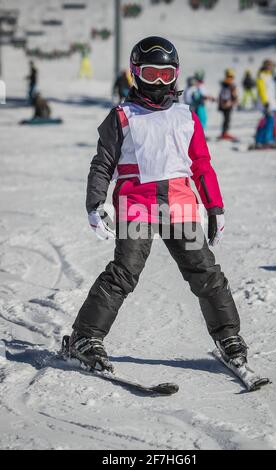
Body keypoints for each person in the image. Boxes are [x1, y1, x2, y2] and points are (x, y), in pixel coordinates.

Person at [68, 36, 248, 373]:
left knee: (205, 271)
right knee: (124, 273)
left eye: (166, 74)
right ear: (136, 74)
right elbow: (102, 164)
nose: (159, 82)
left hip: (181, 207)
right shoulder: (122, 116)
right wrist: (96, 203)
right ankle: (85, 336)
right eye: (151, 74)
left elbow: (202, 165)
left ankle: (229, 337)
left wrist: (215, 207)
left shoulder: (185, 116)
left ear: (176, 75)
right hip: (137, 206)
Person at [255, 59, 276, 147]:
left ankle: (263, 140)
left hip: (272, 103)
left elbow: (272, 91)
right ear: (265, 66)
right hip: (266, 103)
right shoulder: (261, 76)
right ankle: (265, 140)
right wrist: (265, 102)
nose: (270, 67)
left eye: (271, 66)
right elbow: (262, 90)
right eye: (268, 65)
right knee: (269, 121)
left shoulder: (270, 76)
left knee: (270, 121)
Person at [218, 68, 238, 140]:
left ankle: (225, 132)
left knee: (227, 119)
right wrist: (228, 102)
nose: (232, 78)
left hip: (227, 104)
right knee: (226, 119)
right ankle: (224, 133)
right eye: (231, 77)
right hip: (226, 105)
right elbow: (225, 95)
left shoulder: (228, 84)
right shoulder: (227, 84)